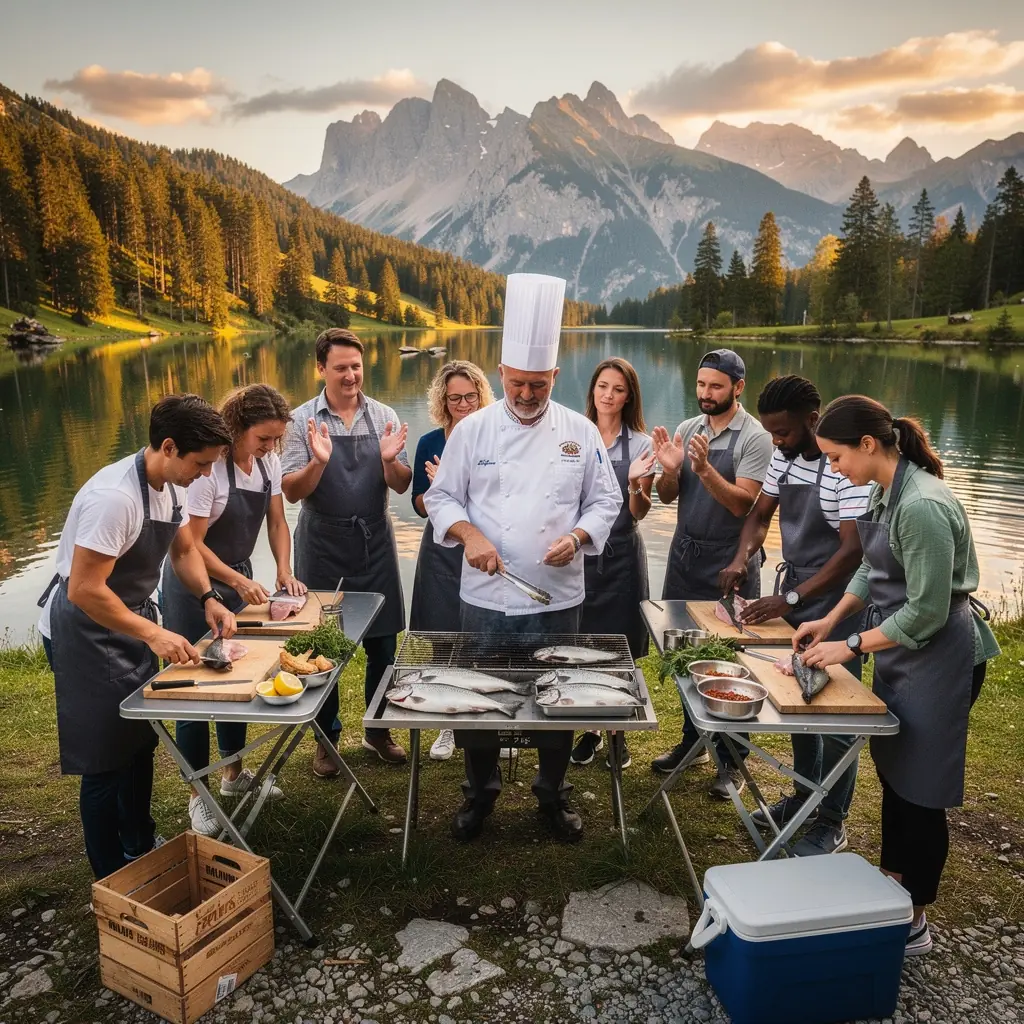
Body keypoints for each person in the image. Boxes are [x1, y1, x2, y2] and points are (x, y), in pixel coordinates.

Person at [797, 395, 999, 956]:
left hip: (941, 656)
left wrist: (850, 645)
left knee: (922, 788)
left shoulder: (924, 506)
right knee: (895, 771)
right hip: (903, 653)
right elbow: (871, 564)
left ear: (868, 445)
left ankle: (914, 918)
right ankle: (893, 883)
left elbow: (929, 611)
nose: (834, 470)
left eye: (836, 458)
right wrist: (828, 617)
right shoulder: (889, 488)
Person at [425, 273, 621, 843]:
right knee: (478, 699)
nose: (528, 395)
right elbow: (442, 497)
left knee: (556, 693)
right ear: (503, 373)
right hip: (485, 594)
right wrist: (469, 535)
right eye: (518, 383)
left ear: (554, 376)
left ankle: (551, 793)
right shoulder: (474, 430)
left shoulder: (580, 432)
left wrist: (580, 538)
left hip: (559, 594)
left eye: (539, 384)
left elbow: (606, 499)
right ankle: (479, 792)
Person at [37, 395, 237, 879]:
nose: (206, 475)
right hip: (84, 628)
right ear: (168, 447)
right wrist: (154, 633)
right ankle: (112, 874)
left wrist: (209, 596)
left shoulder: (172, 486)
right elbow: (84, 590)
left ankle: (139, 843)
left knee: (141, 742)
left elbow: (185, 549)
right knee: (105, 759)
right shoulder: (116, 499)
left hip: (127, 623)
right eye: (201, 464)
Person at [718, 376, 873, 855]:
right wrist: (743, 557)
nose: (776, 441)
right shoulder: (783, 457)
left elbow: (852, 552)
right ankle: (806, 796)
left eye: (783, 432)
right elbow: (760, 516)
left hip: (839, 600)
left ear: (813, 419)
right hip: (800, 592)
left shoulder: (843, 469)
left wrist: (790, 600)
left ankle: (831, 819)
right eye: (770, 433)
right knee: (802, 705)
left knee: (837, 716)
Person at [161, 384, 306, 836]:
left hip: (237, 581)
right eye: (263, 438)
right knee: (195, 694)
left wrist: (283, 568)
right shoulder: (210, 472)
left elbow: (278, 522)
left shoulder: (268, 464)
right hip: (194, 587)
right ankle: (196, 797)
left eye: (276, 439)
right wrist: (237, 580)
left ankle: (232, 776)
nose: (270, 447)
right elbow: (192, 545)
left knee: (238, 682)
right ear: (238, 428)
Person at [282, 329, 411, 774]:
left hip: (374, 540)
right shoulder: (301, 421)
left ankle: (377, 730)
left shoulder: (384, 415)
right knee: (325, 646)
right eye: (341, 367)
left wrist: (391, 459)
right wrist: (318, 461)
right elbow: (291, 492)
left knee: (383, 645)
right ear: (321, 369)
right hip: (321, 544)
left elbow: (400, 484)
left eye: (356, 366)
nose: (351, 375)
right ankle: (326, 738)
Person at [650, 349, 773, 798]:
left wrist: (702, 470)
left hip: (729, 562)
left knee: (731, 662)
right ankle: (692, 742)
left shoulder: (754, 438)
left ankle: (731, 761)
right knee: (683, 653)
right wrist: (668, 471)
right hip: (686, 556)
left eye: (715, 387)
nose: (705, 394)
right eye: (701, 385)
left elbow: (744, 503)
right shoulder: (687, 429)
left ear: (738, 388)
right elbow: (666, 498)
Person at [570, 357, 656, 771]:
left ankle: (618, 733)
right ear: (593, 390)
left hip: (621, 555)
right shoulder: (575, 435)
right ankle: (588, 728)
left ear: (629, 397)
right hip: (581, 556)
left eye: (617, 389)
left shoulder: (640, 445)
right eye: (602, 386)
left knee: (621, 646)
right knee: (582, 642)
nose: (608, 395)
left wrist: (635, 483)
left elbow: (639, 511)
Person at [409, 360, 496, 761]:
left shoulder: (496, 436)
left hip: (483, 546)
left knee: (479, 632)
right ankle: (446, 722)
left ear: (481, 395)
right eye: (454, 397)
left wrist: (453, 483)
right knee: (443, 632)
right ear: (442, 400)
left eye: (470, 396)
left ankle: (482, 714)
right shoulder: (429, 441)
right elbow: (420, 507)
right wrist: (439, 488)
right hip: (441, 549)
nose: (463, 404)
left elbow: (500, 500)